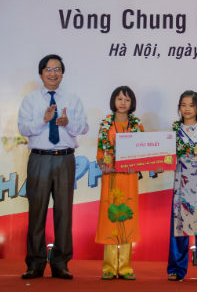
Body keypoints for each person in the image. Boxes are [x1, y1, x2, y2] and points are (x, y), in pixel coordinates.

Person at [18, 54, 89, 280]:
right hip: (39, 159)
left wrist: (68, 123)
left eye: (57, 69)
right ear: (41, 74)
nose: (53, 73)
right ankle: (35, 263)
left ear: (62, 74)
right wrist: (43, 120)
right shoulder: (30, 100)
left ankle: (61, 263)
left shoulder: (72, 99)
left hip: (65, 159)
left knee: (64, 213)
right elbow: (23, 128)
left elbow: (84, 127)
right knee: (36, 212)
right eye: (48, 69)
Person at [167, 90, 197, 282]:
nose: (187, 109)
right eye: (183, 105)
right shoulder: (174, 130)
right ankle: (177, 269)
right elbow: (168, 155)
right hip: (181, 182)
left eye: (191, 105)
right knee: (179, 226)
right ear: (179, 107)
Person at [95, 86, 144, 280]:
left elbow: (143, 151)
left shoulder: (137, 125)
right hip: (111, 178)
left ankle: (125, 267)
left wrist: (137, 165)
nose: (123, 103)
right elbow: (100, 153)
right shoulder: (106, 125)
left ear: (132, 103)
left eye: (127, 100)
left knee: (127, 219)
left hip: (129, 179)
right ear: (113, 101)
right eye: (119, 99)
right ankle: (108, 267)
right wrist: (103, 165)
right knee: (110, 219)